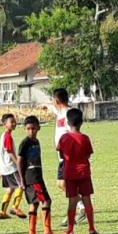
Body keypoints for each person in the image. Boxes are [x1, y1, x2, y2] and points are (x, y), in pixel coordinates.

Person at [17, 115, 65, 234]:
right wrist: (22, 180)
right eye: (28, 128)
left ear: (38, 128)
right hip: (32, 177)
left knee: (35, 203)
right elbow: (20, 161)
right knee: (46, 201)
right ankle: (47, 233)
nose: (31, 131)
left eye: (33, 128)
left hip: (37, 176)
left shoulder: (36, 142)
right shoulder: (25, 142)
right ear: (24, 129)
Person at [44, 88, 85, 226]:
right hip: (62, 157)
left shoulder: (68, 114)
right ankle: (81, 207)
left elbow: (73, 134)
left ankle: (81, 208)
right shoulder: (60, 111)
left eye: (52, 100)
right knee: (63, 184)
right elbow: (53, 109)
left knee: (64, 185)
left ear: (56, 100)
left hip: (67, 157)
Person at [57, 108, 99, 234]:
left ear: (68, 122)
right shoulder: (85, 138)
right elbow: (88, 154)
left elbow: (61, 154)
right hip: (84, 172)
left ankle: (70, 231)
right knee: (87, 199)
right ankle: (91, 229)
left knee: (72, 201)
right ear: (81, 122)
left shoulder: (64, 138)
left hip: (69, 173)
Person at [0, 113, 26, 219]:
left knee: (10, 189)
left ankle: (2, 212)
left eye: (15, 121)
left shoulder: (3, 135)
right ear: (5, 124)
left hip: (5, 167)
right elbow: (10, 152)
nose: (14, 123)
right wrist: (18, 163)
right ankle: (15, 207)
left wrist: (0, 168)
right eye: (12, 122)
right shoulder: (7, 136)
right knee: (21, 186)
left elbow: (2, 153)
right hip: (11, 167)